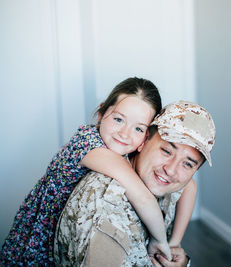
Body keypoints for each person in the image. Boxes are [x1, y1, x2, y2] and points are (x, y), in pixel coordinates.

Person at [1, 77, 175, 266]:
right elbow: (143, 198)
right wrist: (160, 241)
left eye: (138, 128)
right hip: (39, 244)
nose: (125, 134)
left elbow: (190, 185)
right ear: (101, 114)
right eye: (118, 119)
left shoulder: (123, 149)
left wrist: (176, 242)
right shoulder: (89, 146)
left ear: (146, 137)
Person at [54, 100, 216, 266]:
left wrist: (175, 249)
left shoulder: (164, 180)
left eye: (187, 164)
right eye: (166, 151)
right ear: (144, 142)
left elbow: (189, 187)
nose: (172, 170)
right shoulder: (105, 206)